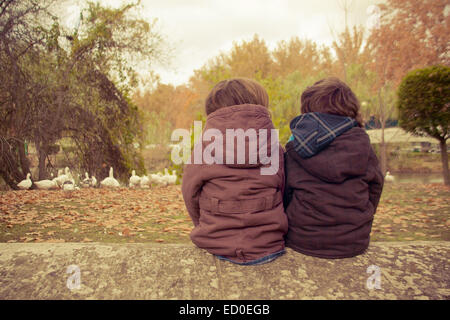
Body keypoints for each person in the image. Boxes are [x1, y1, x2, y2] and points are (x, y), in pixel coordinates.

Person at [182, 78, 288, 265]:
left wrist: (204, 224)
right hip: (268, 245)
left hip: (216, 243)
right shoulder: (275, 149)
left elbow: (190, 193)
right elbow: (282, 188)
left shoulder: (202, 149)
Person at [284, 77, 384, 259]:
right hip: (354, 240)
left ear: (306, 109)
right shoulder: (362, 144)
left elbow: (286, 191)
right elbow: (375, 186)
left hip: (303, 238)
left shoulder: (295, 146)